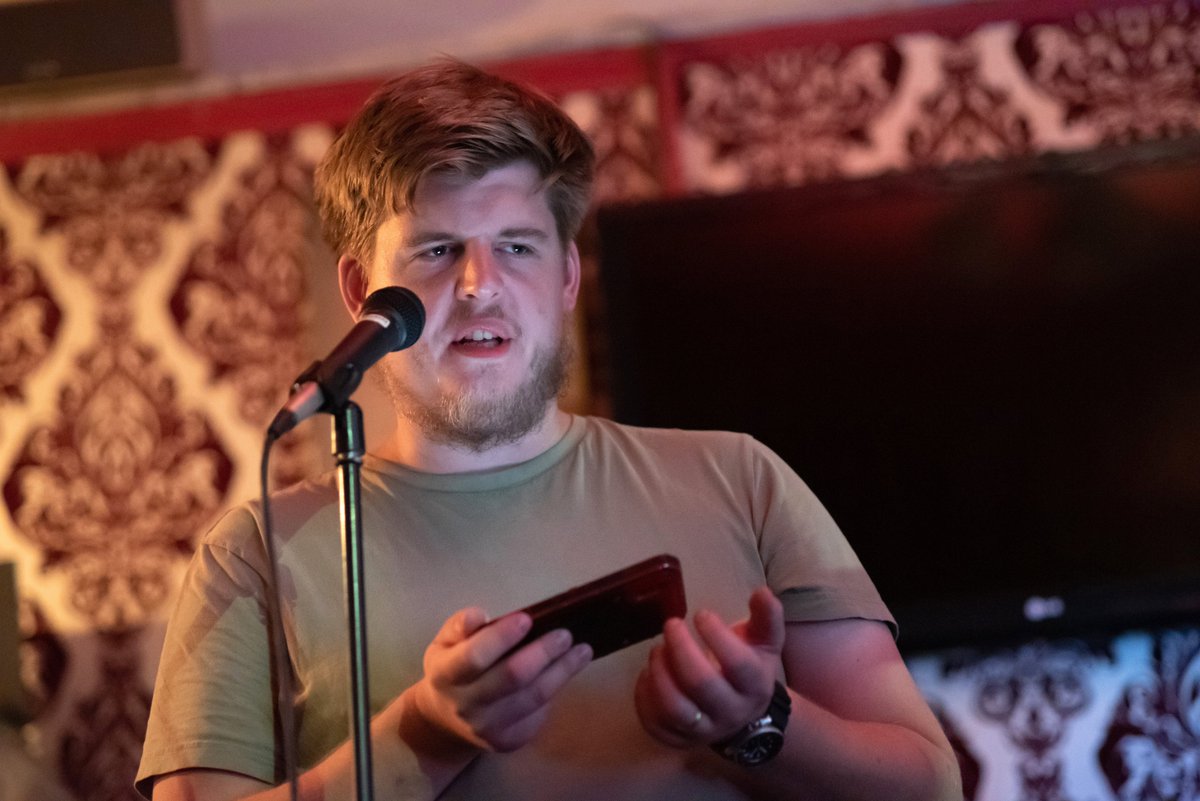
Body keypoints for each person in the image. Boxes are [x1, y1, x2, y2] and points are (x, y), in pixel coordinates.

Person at [136, 59, 962, 801]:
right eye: (435, 249)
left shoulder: (741, 477)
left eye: (518, 246)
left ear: (566, 276)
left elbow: (930, 784)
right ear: (360, 290)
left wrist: (761, 721)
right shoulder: (253, 550)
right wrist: (425, 733)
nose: (479, 285)